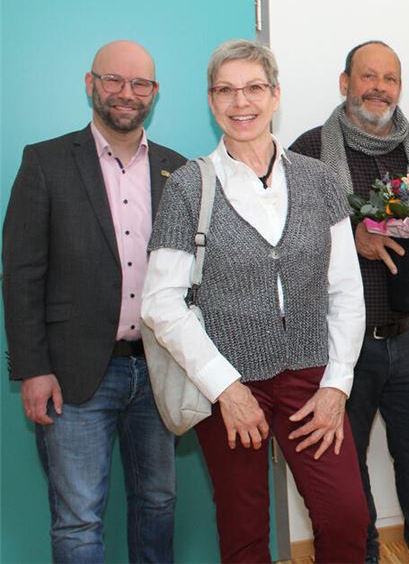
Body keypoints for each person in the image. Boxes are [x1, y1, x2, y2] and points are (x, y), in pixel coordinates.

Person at [141, 39, 368, 563]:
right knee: (244, 531)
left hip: (312, 381)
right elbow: (160, 302)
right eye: (226, 90)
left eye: (253, 89)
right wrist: (226, 389)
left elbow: (346, 291)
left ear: (275, 95)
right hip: (229, 385)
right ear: (210, 99)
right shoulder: (189, 187)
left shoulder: (319, 180)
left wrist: (337, 384)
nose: (240, 103)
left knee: (345, 517)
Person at [2, 40, 184, 563]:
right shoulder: (46, 162)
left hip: (157, 370)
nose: (126, 94)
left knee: (159, 503)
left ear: (154, 93)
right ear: (91, 84)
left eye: (140, 84)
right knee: (79, 519)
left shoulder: (179, 171)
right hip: (74, 375)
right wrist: (32, 369)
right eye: (114, 80)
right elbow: (21, 277)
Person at [288, 40, 409, 564]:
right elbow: (285, 244)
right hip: (342, 346)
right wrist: (349, 238)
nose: (378, 87)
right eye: (368, 76)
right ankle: (362, 556)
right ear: (345, 83)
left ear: (399, 88)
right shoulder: (309, 150)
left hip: (408, 337)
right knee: (346, 464)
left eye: (389, 78)